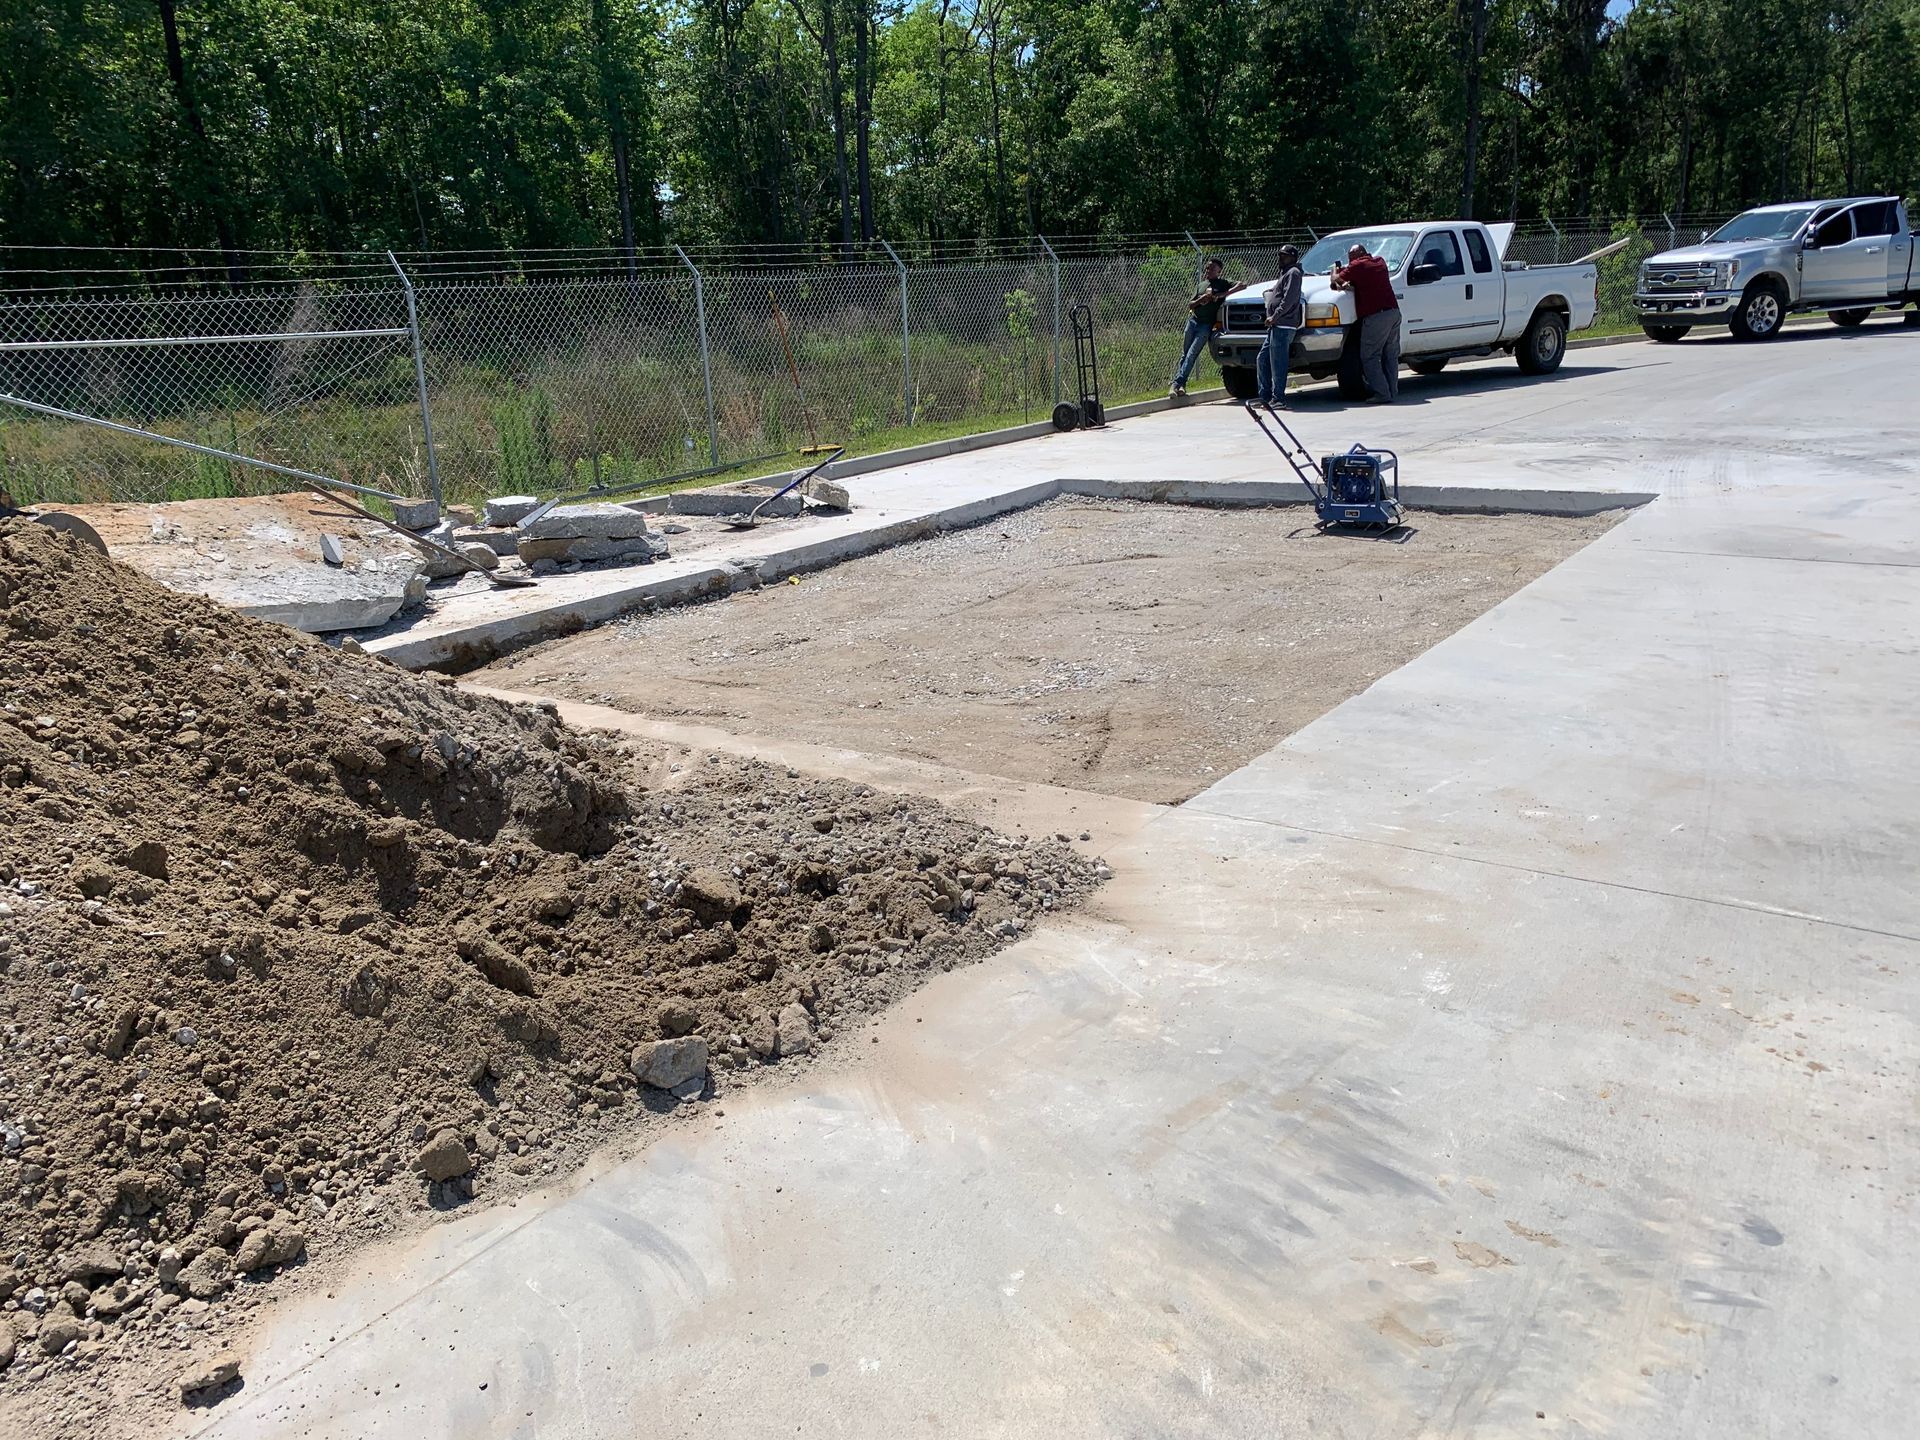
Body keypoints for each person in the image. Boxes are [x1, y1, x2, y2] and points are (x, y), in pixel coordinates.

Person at [1331, 243, 1400, 402]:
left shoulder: (1358, 265)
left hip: (1376, 316)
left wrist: (1335, 268)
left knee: (1370, 356)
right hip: (1394, 313)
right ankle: (1392, 391)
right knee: (1390, 355)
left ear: (1357, 255)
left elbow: (1336, 279)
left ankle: (1382, 394)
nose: (1350, 261)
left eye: (1351, 258)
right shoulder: (1380, 261)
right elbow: (1366, 281)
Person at [1170, 257, 1232, 396]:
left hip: (1206, 325)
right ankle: (1181, 386)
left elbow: (1242, 285)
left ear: (1219, 271)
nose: (1208, 270)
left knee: (1192, 354)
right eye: (1207, 268)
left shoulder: (1223, 283)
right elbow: (1191, 304)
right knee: (1185, 354)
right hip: (1193, 321)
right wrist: (1202, 299)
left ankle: (1176, 383)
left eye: (1212, 269)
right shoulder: (1201, 285)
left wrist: (1220, 295)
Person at [1257, 244, 1303, 407]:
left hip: (1283, 325)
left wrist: (1275, 316)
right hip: (1275, 326)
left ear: (1292, 257)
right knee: (1262, 359)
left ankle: (1279, 398)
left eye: (1284, 255)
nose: (1280, 258)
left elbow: (1289, 299)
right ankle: (1265, 396)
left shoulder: (1294, 273)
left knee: (1278, 363)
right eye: (1279, 255)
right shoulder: (1285, 273)